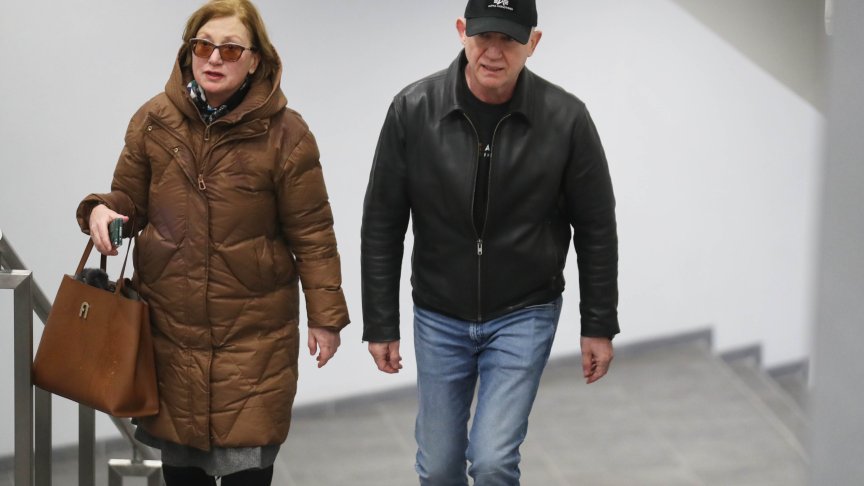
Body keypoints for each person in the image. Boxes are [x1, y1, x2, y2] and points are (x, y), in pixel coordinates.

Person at [76, 1, 350, 485]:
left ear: (256, 60)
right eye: (203, 46)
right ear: (189, 53)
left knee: (248, 473)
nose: (215, 58)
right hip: (171, 338)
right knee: (181, 474)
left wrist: (326, 318)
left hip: (254, 342)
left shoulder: (287, 135)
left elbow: (313, 234)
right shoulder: (154, 120)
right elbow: (129, 200)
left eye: (231, 48)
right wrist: (100, 209)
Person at [361, 0, 619, 484]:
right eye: (484, 37)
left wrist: (598, 324)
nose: (494, 52)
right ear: (462, 32)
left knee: (493, 459)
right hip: (439, 313)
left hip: (525, 311)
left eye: (509, 39)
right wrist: (380, 322)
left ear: (533, 43)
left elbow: (596, 229)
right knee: (438, 467)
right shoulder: (412, 110)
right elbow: (382, 223)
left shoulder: (566, 120)